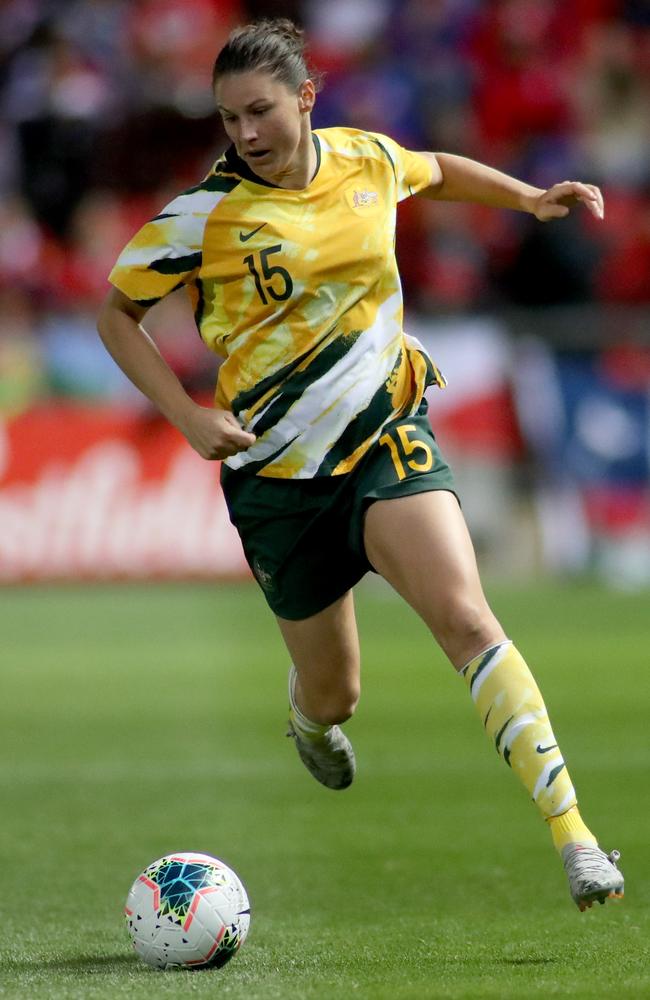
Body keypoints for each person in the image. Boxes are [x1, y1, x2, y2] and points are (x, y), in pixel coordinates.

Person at [97, 18, 624, 912]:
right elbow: (118, 313)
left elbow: (436, 169)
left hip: (386, 441)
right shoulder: (204, 215)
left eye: (260, 111)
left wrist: (530, 197)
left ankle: (575, 838)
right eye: (229, 121)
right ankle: (308, 718)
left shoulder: (366, 159)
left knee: (466, 617)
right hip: (277, 482)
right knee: (337, 693)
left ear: (306, 97)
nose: (247, 135)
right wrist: (187, 416)